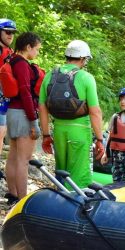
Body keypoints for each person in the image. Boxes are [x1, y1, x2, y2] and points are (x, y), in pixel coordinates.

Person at [39, 40, 104, 189]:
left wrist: (46, 135)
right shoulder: (86, 78)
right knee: (79, 176)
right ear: (83, 58)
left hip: (59, 131)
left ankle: (59, 203)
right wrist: (100, 139)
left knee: (62, 172)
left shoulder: (49, 76)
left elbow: (42, 108)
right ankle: (77, 207)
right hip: (80, 131)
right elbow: (95, 112)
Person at [4, 32, 42, 205]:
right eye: (37, 49)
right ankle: (22, 201)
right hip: (23, 114)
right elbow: (26, 92)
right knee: (23, 161)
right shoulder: (22, 64)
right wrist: (34, 120)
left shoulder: (10, 60)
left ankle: (12, 194)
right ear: (28, 47)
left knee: (13, 156)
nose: (37, 53)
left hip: (12, 112)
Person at [0, 19, 17, 161]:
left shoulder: (10, 51)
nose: (10, 35)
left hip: (5, 98)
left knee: (2, 131)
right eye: (7, 32)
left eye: (12, 33)